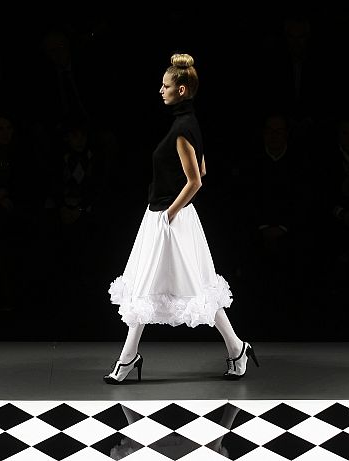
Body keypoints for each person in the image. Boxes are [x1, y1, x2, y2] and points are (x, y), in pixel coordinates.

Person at [105, 53, 258, 384]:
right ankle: (234, 349)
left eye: (166, 85)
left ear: (183, 90)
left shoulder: (181, 129)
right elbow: (202, 168)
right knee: (160, 287)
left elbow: (196, 180)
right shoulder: (188, 123)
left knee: (187, 288)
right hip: (167, 217)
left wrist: (170, 215)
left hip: (169, 218)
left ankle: (235, 348)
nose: (161, 90)